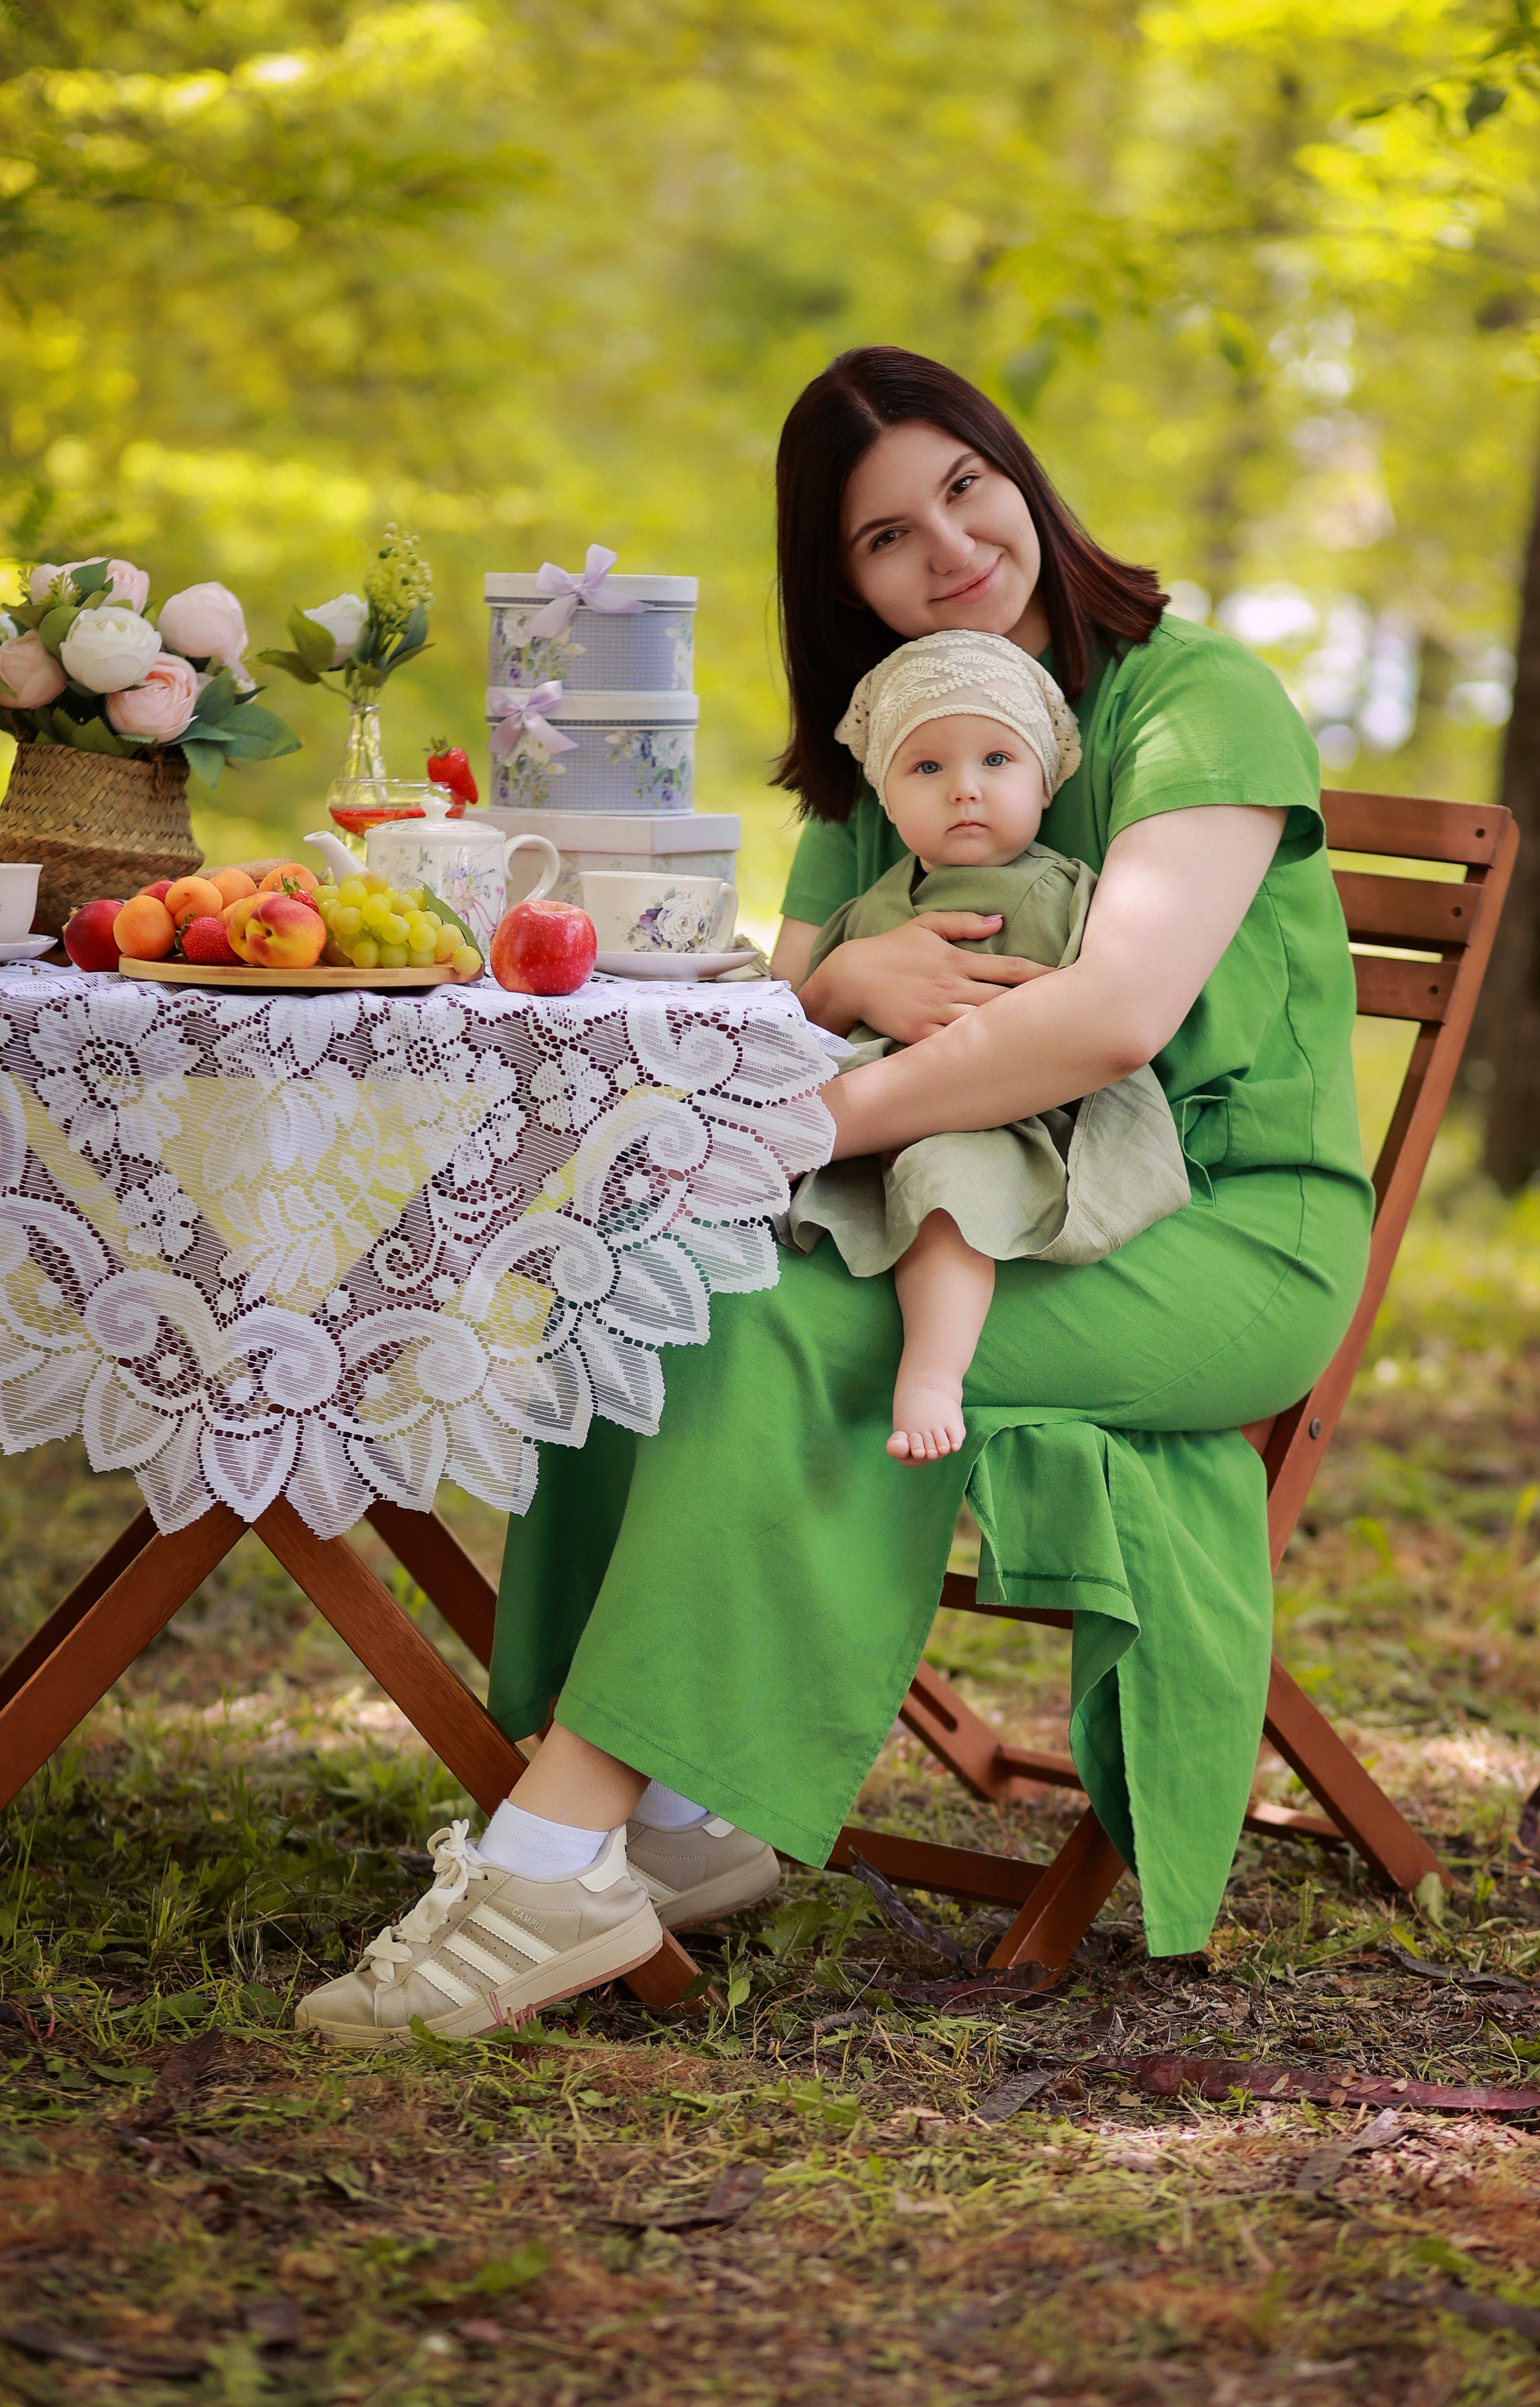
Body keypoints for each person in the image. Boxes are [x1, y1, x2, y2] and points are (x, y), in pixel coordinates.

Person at [295, 344, 1372, 2047]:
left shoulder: (1190, 701)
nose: (944, 547)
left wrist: (823, 1115)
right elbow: (782, 988)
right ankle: (671, 1816)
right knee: (649, 1274)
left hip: (1214, 1231)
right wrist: (842, 973)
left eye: (962, 486)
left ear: (1019, 474)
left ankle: (558, 1849)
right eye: (883, 535)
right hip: (955, 1203)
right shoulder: (888, 750)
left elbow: (1111, 1015)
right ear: (842, 581)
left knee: (783, 1322)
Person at [786, 626, 1189, 1463]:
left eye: (997, 762)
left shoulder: (1066, 892)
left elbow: (1100, 1011)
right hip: (871, 1118)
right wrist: (838, 988)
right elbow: (797, 1032)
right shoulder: (870, 911)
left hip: (1006, 1123)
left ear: (1045, 784)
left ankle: (931, 1376)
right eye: (927, 768)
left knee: (944, 1187)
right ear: (888, 801)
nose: (964, 789)